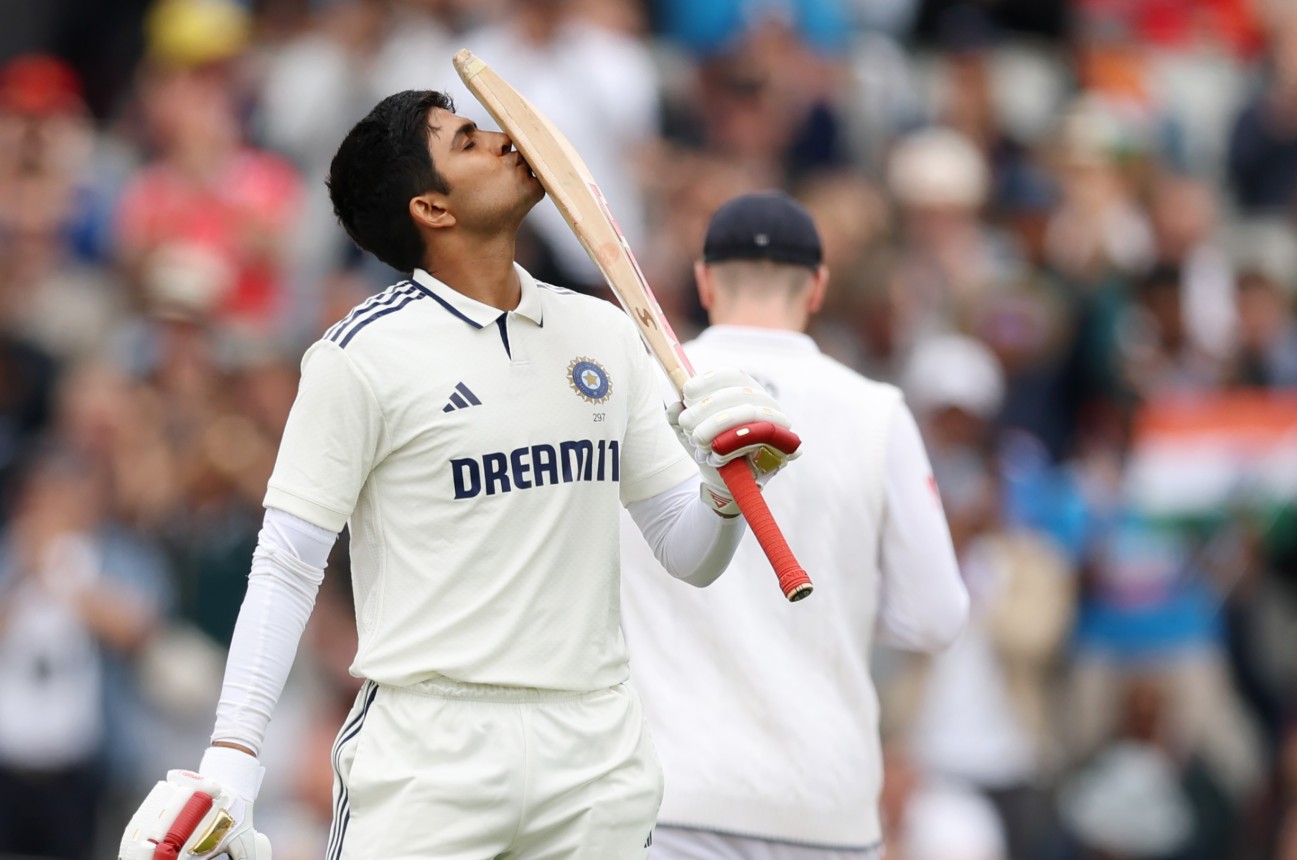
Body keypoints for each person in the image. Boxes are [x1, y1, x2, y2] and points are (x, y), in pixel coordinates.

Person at [118, 90, 798, 860]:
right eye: (468, 140)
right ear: (432, 209)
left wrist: (729, 486)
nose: (509, 141)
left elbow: (687, 552)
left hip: (596, 747)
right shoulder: (360, 357)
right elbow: (286, 564)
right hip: (429, 751)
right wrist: (231, 764)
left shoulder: (603, 333)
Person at [618, 191, 970, 859]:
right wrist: (845, 602)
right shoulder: (876, 410)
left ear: (702, 281)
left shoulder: (633, 389)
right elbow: (935, 617)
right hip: (822, 804)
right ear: (816, 287)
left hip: (664, 797)